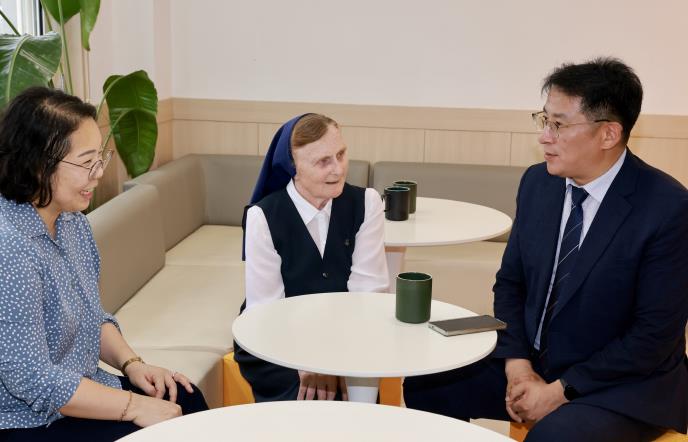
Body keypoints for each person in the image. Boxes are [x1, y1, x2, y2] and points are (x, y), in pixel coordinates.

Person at [404, 57, 688, 441]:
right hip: (535, 362)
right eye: (544, 120)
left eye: (559, 125)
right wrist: (518, 366)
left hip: (619, 383)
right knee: (428, 382)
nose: (544, 137)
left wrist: (559, 392)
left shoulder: (667, 207)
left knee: (555, 435)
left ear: (608, 134)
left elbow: (652, 337)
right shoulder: (539, 183)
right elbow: (511, 283)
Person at [0, 87, 208, 441]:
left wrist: (134, 365)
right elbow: (32, 379)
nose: (98, 173)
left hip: (81, 389)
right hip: (29, 419)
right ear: (38, 164)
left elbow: (92, 317)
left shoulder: (72, 223)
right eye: (86, 162)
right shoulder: (11, 247)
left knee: (185, 397)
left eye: (100, 158)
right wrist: (135, 406)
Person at [235, 113, 389, 402]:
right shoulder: (262, 217)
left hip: (350, 333)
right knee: (303, 406)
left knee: (359, 408)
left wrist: (335, 360)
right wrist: (309, 362)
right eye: (323, 161)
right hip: (275, 338)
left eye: (341, 154)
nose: (338, 169)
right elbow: (266, 313)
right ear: (293, 167)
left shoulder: (367, 203)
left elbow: (368, 296)